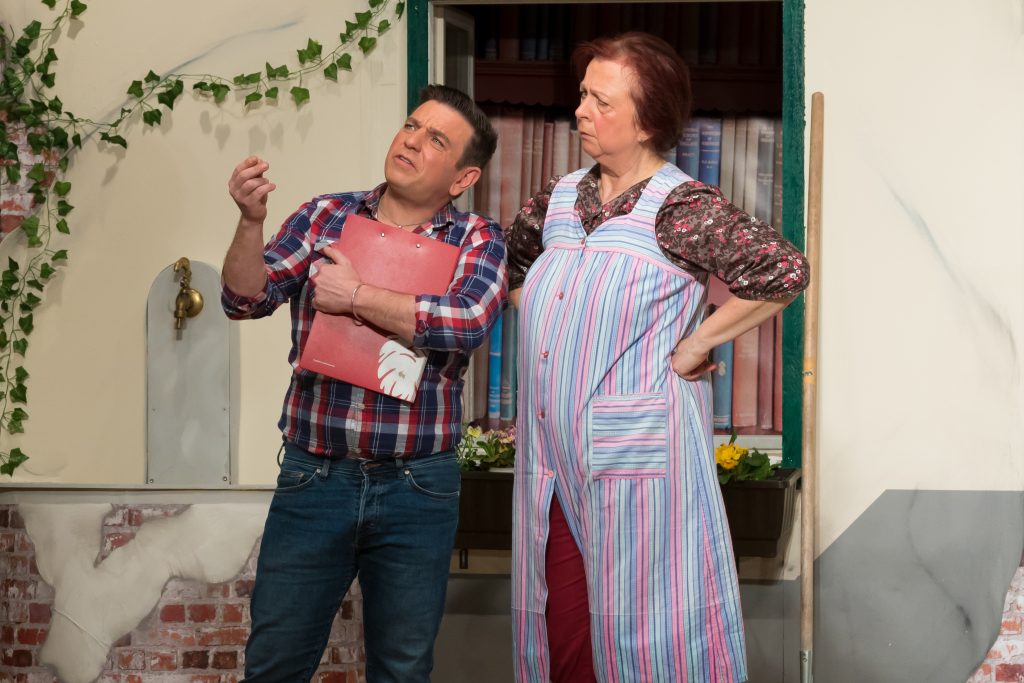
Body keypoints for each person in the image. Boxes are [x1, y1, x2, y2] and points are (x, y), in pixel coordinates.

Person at [506, 33, 809, 682]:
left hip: (639, 456)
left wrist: (695, 343)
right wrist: (555, 318)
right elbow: (511, 269)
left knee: (649, 630)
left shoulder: (681, 208)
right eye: (582, 95)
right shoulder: (557, 199)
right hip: (553, 457)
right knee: (564, 630)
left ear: (647, 121)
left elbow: (782, 271)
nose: (581, 111)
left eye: (602, 101)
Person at [220, 84, 505, 682]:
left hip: (417, 487)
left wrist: (355, 296)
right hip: (315, 476)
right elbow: (245, 299)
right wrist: (250, 222)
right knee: (274, 663)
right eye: (411, 125)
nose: (412, 141)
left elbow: (467, 322)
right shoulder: (326, 215)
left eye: (436, 140)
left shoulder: (477, 239)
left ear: (463, 177)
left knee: (402, 668)